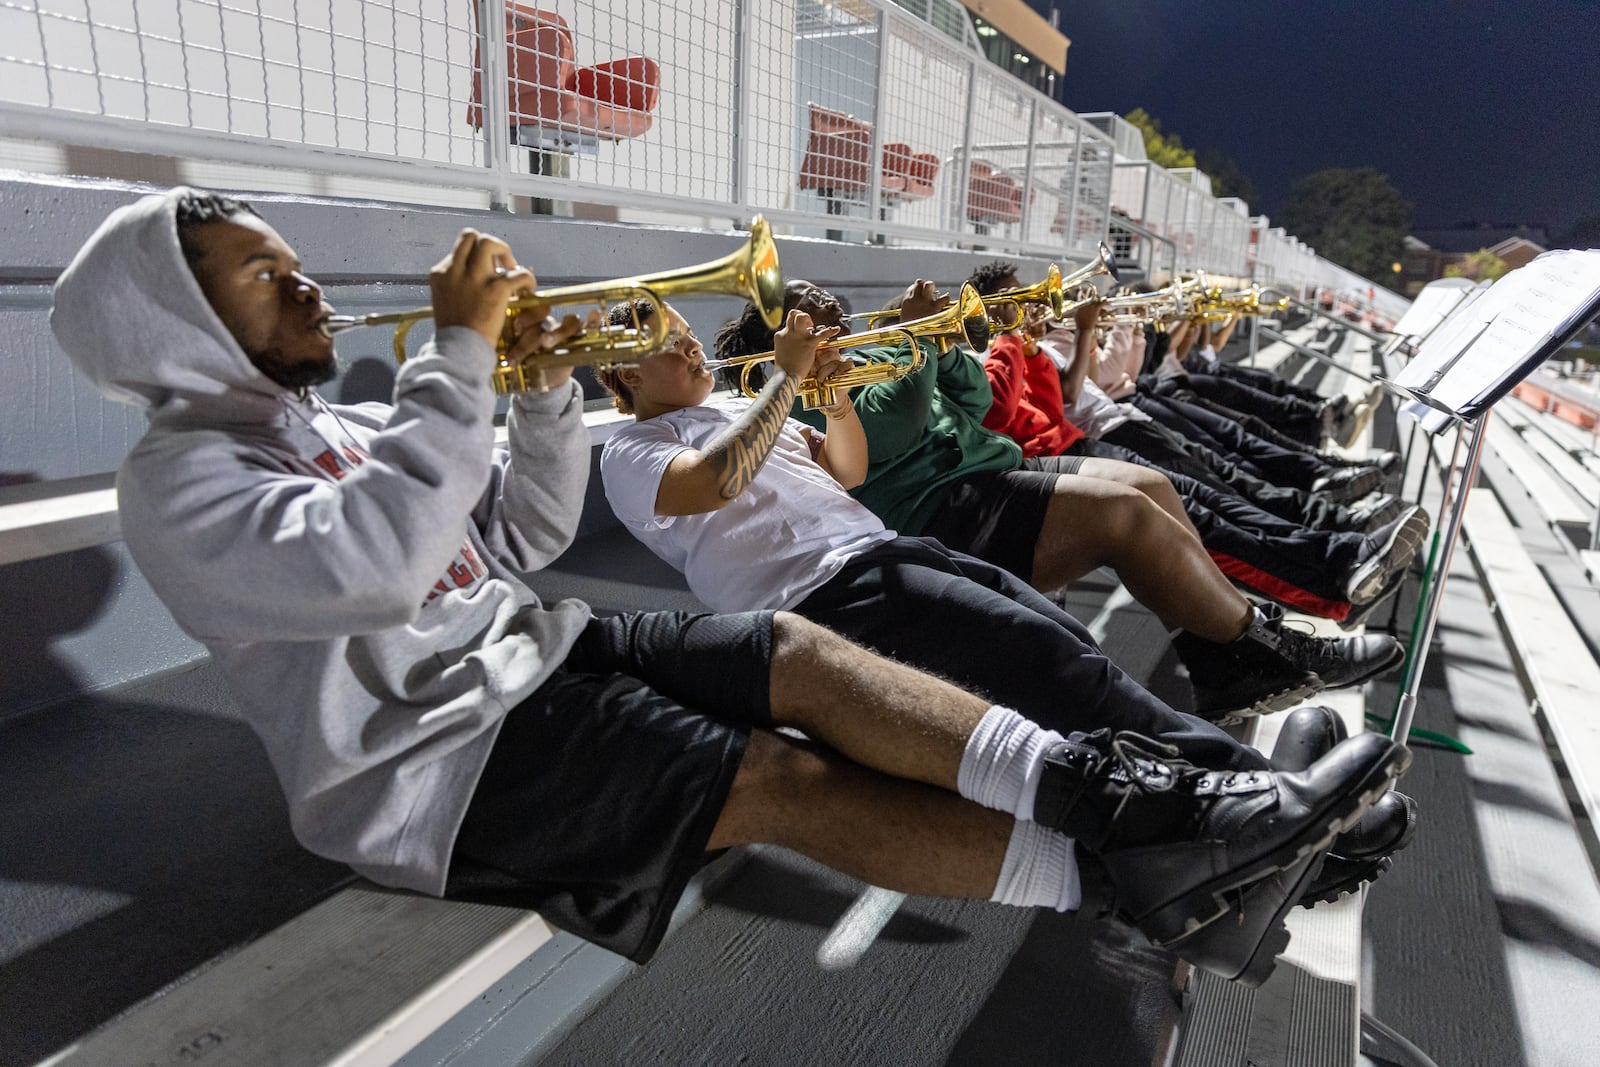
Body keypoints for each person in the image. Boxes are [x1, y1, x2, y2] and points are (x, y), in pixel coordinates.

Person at [50, 187, 1408, 986]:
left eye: (292, 266)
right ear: (182, 325)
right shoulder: (178, 482)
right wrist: (457, 361)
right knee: (770, 776)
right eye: (263, 277)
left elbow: (509, 545)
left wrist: (525, 401)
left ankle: (1156, 810)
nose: (304, 287)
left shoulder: (338, 429)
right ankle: (1133, 878)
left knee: (785, 655)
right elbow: (378, 562)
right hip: (424, 763)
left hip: (528, 646)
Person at [596, 296, 1416, 931]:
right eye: (664, 344)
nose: (688, 345)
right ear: (621, 378)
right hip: (827, 593)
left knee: (1068, 660)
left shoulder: (733, 414)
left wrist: (830, 396)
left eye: (682, 330)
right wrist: (784, 380)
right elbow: (712, 483)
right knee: (1063, 678)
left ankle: (1255, 817)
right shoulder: (632, 453)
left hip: (879, 554)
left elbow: (844, 469)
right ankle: (1281, 814)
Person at [716, 279, 1424, 647]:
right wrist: (921, 341)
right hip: (948, 507)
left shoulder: (868, 359)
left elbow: (965, 399)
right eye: (817, 317)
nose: (837, 318)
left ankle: (1307, 583)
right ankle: (1324, 583)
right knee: (1157, 506)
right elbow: (900, 430)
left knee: (1187, 491)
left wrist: (930, 344)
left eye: (830, 310)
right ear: (782, 342)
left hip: (989, 470)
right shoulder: (794, 395)